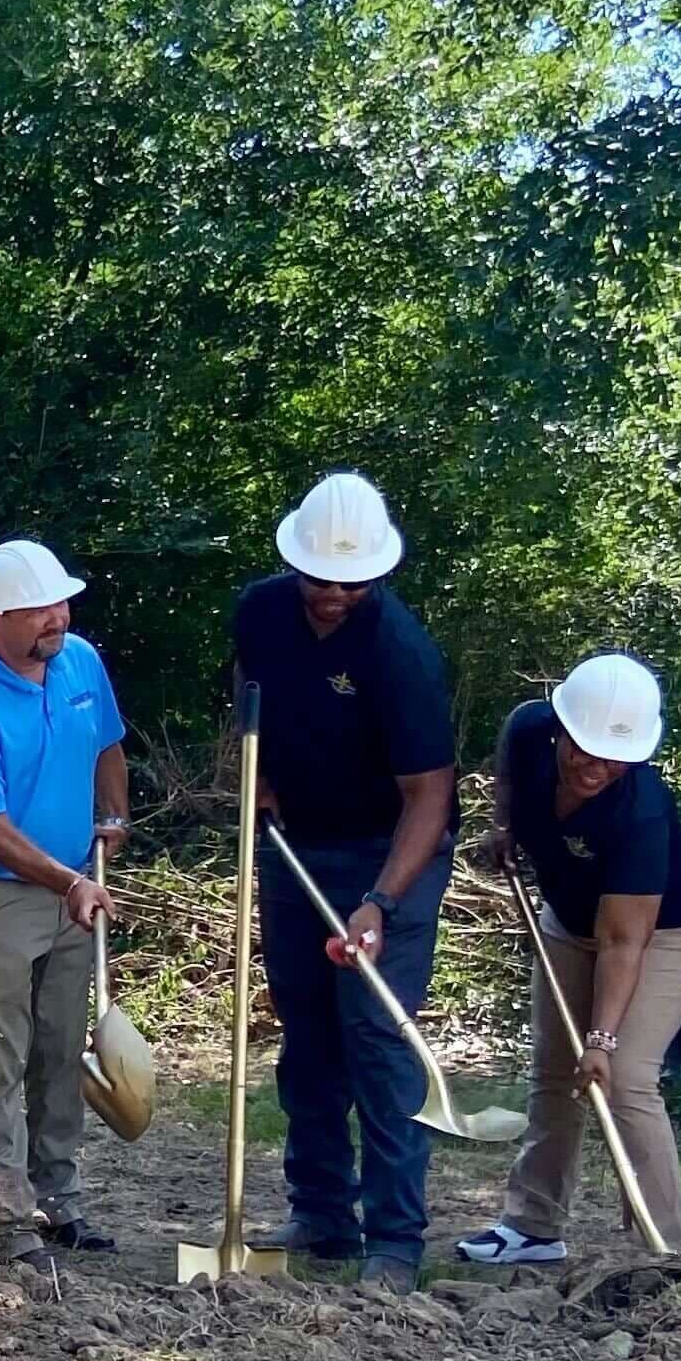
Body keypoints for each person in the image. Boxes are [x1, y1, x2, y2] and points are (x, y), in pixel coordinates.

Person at [231, 474, 456, 1292]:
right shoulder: (259, 609)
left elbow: (429, 797)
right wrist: (256, 772)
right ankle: (322, 1209)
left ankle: (394, 1237)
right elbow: (247, 687)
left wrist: (381, 901)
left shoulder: (399, 652)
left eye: (350, 580)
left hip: (390, 850)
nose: (332, 594)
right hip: (294, 845)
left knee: (373, 1035)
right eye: (319, 577)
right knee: (307, 1028)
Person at [455, 653, 681, 1265]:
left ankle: (664, 1247)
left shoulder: (640, 812)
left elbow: (624, 942)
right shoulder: (529, 730)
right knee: (552, 1070)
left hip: (664, 932)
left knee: (622, 1076)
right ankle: (534, 1228)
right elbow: (510, 766)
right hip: (570, 921)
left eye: (613, 758)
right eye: (584, 751)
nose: (596, 769)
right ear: (560, 729)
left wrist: (600, 1038)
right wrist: (505, 824)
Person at [0, 538, 131, 1268]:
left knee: (59, 1045)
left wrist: (113, 812)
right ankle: (4, 1217)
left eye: (61, 601)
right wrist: (69, 882)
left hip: (74, 879)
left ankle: (60, 1200)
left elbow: (106, 742)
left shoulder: (79, 662)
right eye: (39, 607)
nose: (57, 616)